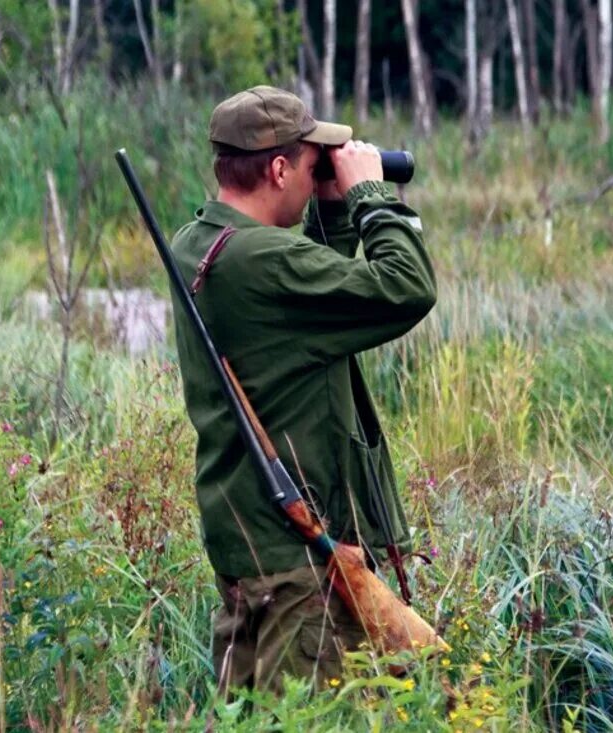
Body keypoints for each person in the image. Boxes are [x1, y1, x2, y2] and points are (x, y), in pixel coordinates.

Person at [167, 86, 436, 694]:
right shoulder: (264, 260)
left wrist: (332, 211)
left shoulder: (198, 243)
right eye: (311, 158)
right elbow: (407, 287)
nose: (321, 167)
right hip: (297, 565)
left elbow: (305, 302)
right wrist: (369, 196)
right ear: (280, 167)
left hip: (245, 545)